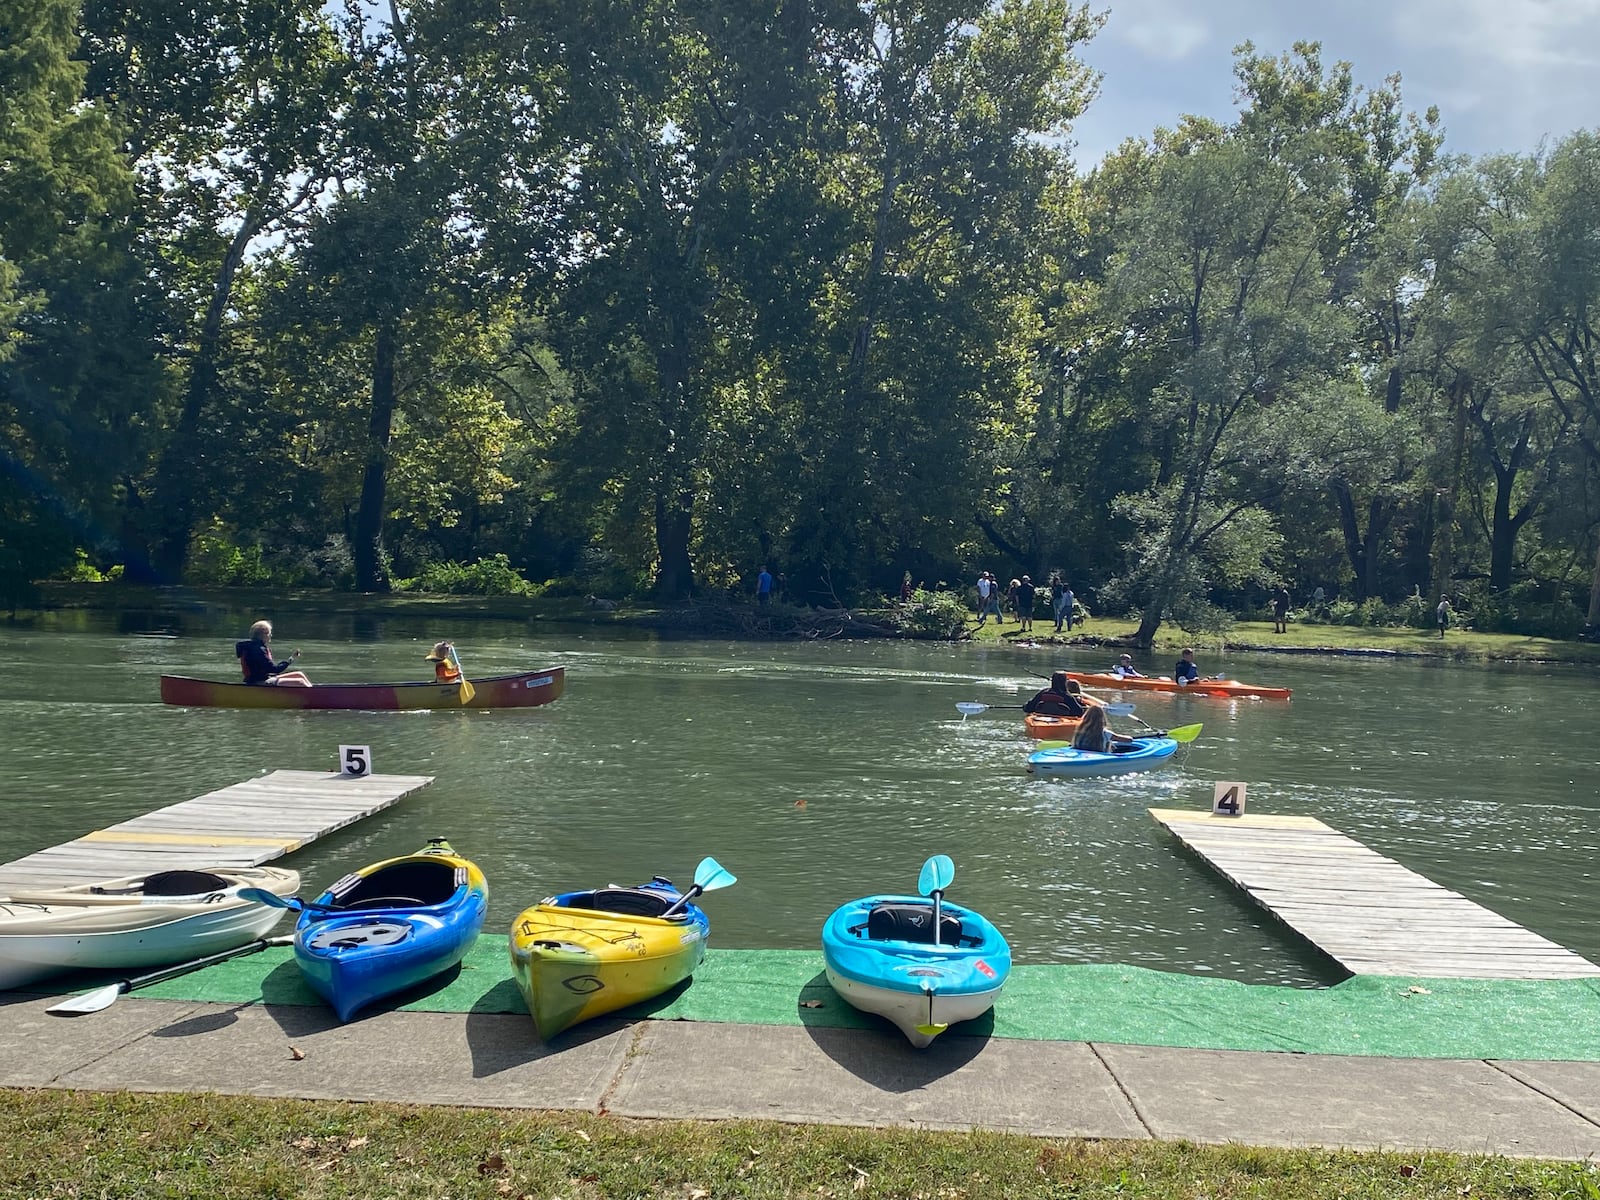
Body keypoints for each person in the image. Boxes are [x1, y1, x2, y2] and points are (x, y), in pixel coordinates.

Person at [236, 620, 311, 687]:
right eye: (269, 633)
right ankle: (315, 696)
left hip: (265, 678)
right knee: (300, 682)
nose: (270, 635)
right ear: (263, 634)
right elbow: (274, 669)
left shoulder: (255, 647)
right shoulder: (258, 650)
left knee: (299, 674)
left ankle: (315, 692)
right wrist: (289, 661)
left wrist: (291, 658)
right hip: (258, 683)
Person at [1071, 704, 1136, 753]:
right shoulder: (1105, 733)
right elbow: (1129, 740)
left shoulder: (1080, 730)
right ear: (1102, 719)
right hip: (1099, 757)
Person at [1023, 671, 1088, 718]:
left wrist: (1025, 706)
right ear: (1064, 682)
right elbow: (1079, 712)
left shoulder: (1043, 693)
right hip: (1062, 720)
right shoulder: (1067, 697)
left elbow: (1028, 708)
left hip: (1041, 717)